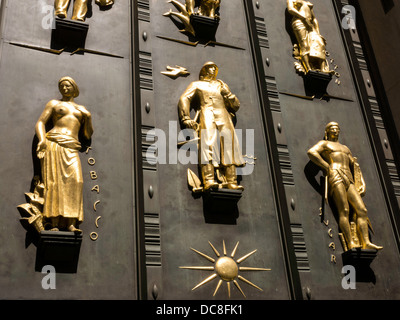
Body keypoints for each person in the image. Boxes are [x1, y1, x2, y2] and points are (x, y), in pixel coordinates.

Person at [307, 122, 382, 251]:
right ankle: (351, 242)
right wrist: (326, 166)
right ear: (327, 131)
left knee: (362, 210)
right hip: (335, 174)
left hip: (349, 177)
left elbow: (354, 166)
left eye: (337, 128)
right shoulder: (324, 144)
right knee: (345, 211)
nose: (335, 131)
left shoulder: (345, 148)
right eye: (332, 129)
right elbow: (311, 152)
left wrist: (362, 182)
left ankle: (366, 242)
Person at [35, 76, 93, 233]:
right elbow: (41, 122)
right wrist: (42, 140)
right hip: (55, 143)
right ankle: (53, 223)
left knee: (76, 181)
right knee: (55, 182)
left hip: (71, 146)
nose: (64, 89)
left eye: (67, 86)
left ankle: (71, 223)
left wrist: (87, 117)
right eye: (62, 86)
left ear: (74, 88)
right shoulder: (54, 104)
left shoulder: (81, 109)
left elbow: (87, 135)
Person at [178, 62, 244, 191]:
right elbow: (185, 98)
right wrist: (185, 117)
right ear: (204, 70)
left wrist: (227, 93)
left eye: (214, 68)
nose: (213, 70)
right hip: (207, 114)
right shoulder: (197, 84)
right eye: (210, 67)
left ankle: (232, 181)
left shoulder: (221, 85)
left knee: (228, 145)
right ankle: (208, 180)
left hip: (223, 115)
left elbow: (235, 106)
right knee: (207, 144)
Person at [287, 0, 332, 74]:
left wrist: (318, 33)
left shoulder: (306, 2)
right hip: (299, 22)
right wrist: (304, 19)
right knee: (305, 46)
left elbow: (314, 19)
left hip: (310, 25)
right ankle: (308, 68)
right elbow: (290, 9)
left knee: (320, 43)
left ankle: (323, 68)